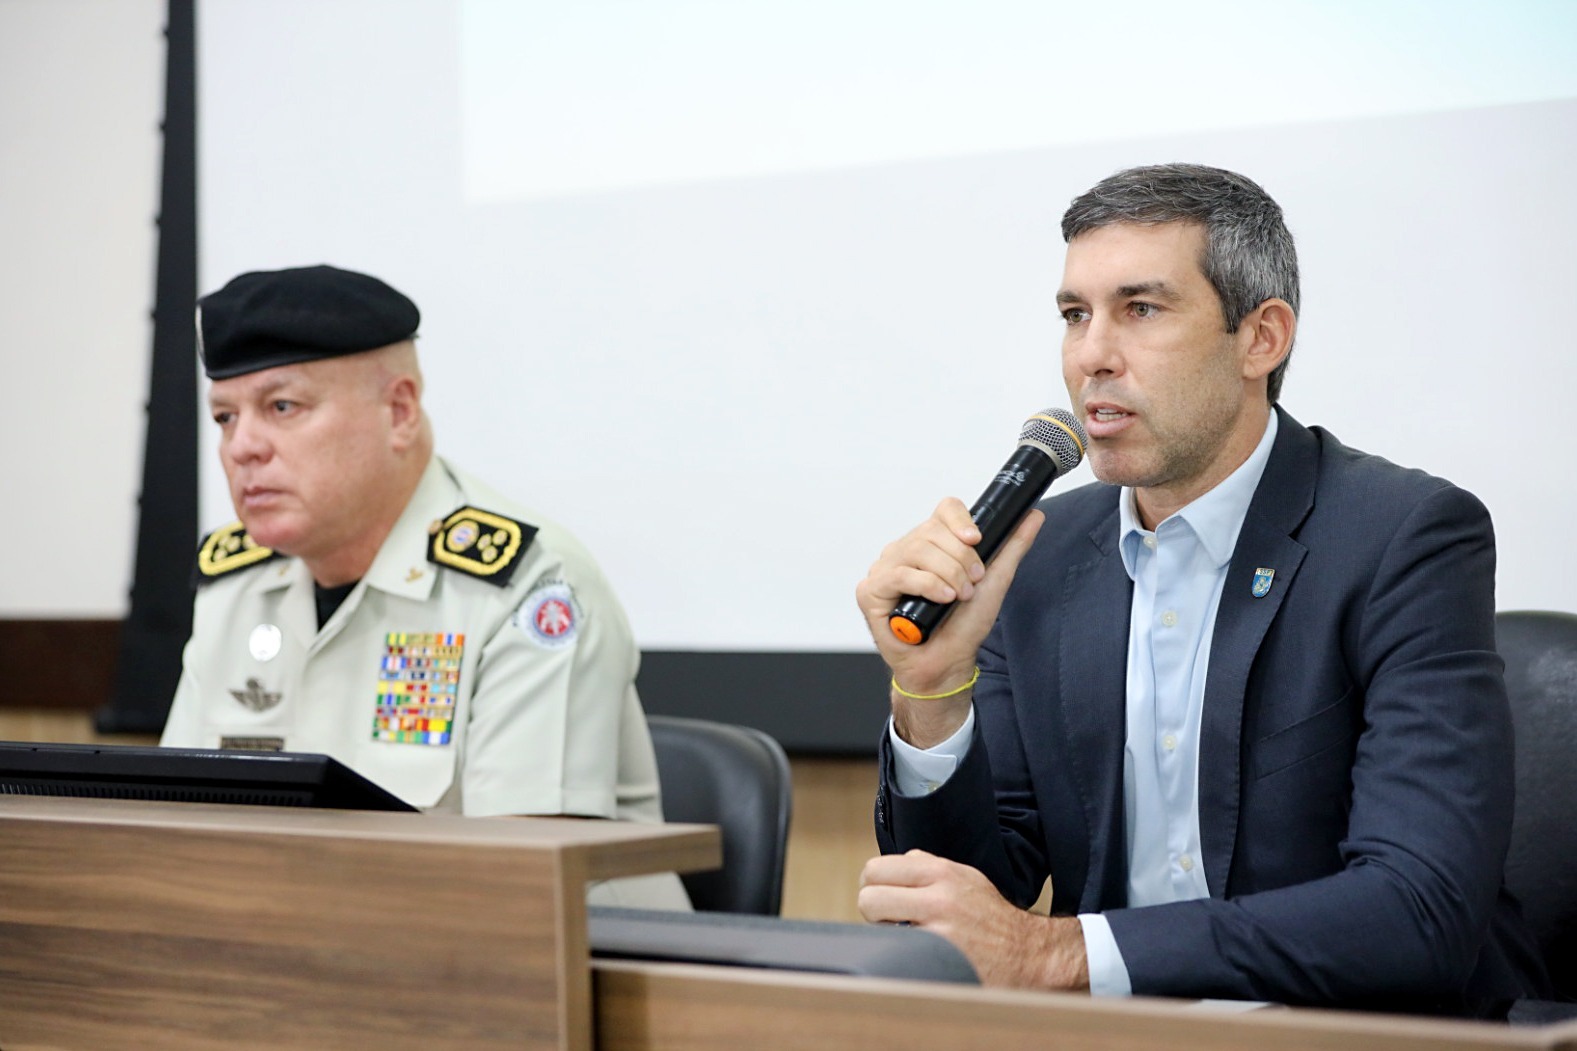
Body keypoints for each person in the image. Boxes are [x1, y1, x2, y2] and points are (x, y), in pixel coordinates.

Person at [854, 164, 1547, 1015]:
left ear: (1261, 337)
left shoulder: (1403, 535)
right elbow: (968, 898)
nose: (1091, 357)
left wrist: (1063, 951)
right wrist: (931, 691)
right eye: (1075, 315)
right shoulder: (1037, 551)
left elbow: (1417, 911)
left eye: (1139, 310)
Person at [162, 263, 688, 909]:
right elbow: (174, 836)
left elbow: (516, 882)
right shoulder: (234, 586)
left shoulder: (525, 587)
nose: (243, 446)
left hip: (568, 979)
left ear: (400, 411)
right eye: (223, 416)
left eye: (281, 406)